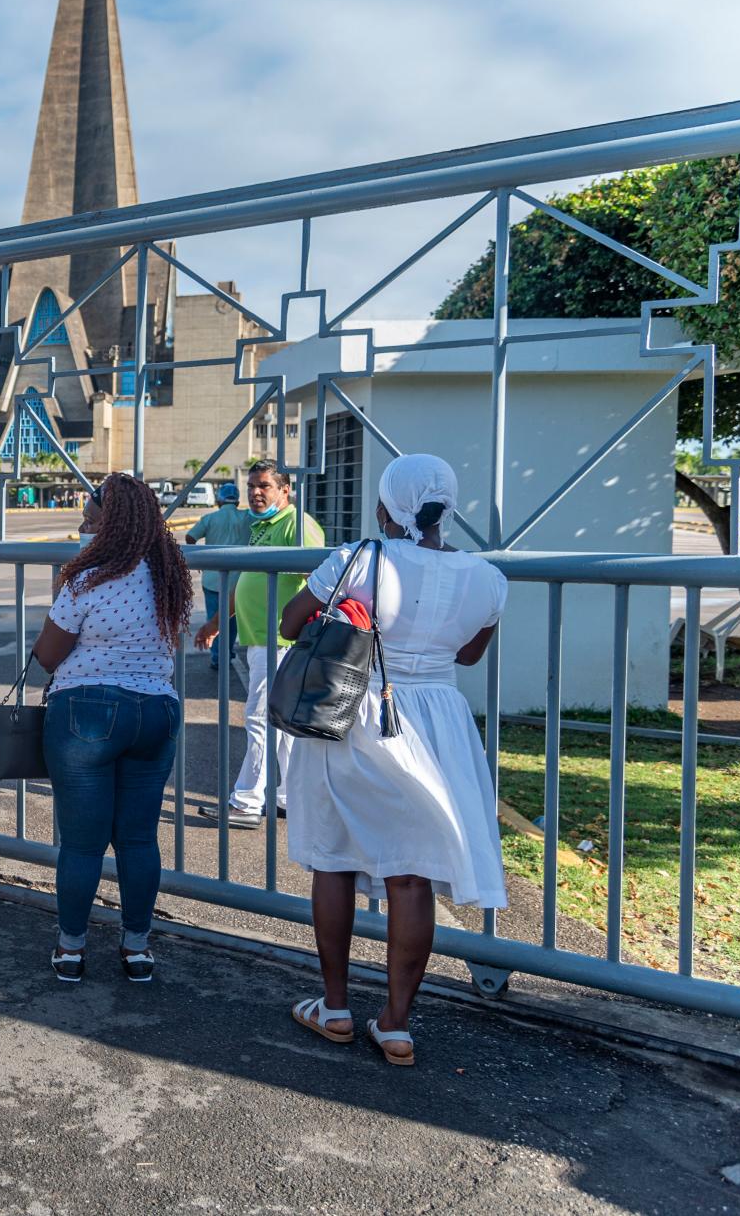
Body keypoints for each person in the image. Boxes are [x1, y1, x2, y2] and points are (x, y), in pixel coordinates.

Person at [282, 454, 507, 1065]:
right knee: (412, 875)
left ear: (385, 508)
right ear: (447, 509)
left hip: (354, 710)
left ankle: (334, 1008)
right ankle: (396, 1025)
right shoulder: (488, 579)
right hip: (437, 723)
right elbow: (467, 656)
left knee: (333, 860)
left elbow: (290, 623)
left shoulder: (358, 560)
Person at [28, 473, 189, 983]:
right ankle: (137, 948)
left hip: (88, 713)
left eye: (89, 517)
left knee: (82, 843)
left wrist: (67, 579)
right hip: (156, 711)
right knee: (139, 839)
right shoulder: (169, 579)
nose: (84, 525)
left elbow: (48, 656)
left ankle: (71, 948)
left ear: (107, 523)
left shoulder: (86, 579)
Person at [192, 460, 322, 828]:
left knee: (260, 719)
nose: (255, 492)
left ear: (285, 490)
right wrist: (217, 623)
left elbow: (320, 577)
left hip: (280, 641)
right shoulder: (263, 526)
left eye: (264, 485)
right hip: (262, 640)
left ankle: (247, 803)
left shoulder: (297, 525)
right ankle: (290, 797)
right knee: (280, 726)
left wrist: (296, 622)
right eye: (251, 486)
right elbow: (245, 582)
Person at [184, 482, 253, 671]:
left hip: (212, 579)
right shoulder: (248, 517)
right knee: (232, 620)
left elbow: (190, 537)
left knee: (213, 619)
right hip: (237, 581)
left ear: (219, 500)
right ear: (237, 501)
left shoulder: (209, 518)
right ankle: (227, 653)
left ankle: (216, 657)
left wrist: (199, 558)